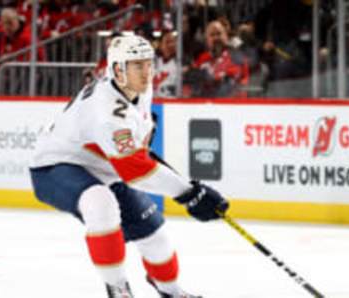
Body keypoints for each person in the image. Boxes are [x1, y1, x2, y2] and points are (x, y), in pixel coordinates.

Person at [29, 34, 229, 298]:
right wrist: (189, 193)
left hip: (104, 169)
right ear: (117, 70)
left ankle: (171, 292)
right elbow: (136, 171)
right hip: (54, 167)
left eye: (148, 64)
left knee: (155, 237)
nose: (147, 72)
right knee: (100, 203)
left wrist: (188, 190)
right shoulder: (106, 111)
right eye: (137, 65)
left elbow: (135, 154)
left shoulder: (139, 89)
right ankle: (119, 290)